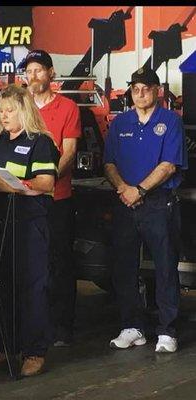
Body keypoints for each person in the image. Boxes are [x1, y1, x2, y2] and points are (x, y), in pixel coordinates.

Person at [0, 84, 60, 377]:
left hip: (28, 225)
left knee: (32, 289)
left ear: (24, 111)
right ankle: (5, 347)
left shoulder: (39, 142)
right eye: (1, 110)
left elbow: (46, 183)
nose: (4, 115)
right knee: (0, 286)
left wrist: (16, 184)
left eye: (10, 110)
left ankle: (34, 351)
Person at [104, 67, 187, 353]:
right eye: (135, 88)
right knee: (124, 266)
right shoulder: (120, 123)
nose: (140, 93)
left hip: (158, 204)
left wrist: (138, 190)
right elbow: (109, 163)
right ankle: (132, 326)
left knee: (165, 267)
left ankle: (167, 330)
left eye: (146, 88)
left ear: (157, 91)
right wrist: (124, 190)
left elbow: (169, 165)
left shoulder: (170, 122)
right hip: (125, 203)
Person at [22, 49, 82, 346]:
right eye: (29, 71)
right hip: (25, 200)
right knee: (32, 264)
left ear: (51, 73)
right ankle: (36, 325)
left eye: (38, 70)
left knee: (60, 262)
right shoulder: (21, 108)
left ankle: (63, 326)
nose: (33, 76)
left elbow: (69, 151)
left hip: (57, 198)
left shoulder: (68, 107)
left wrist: (48, 181)